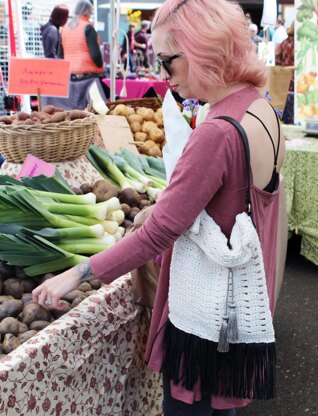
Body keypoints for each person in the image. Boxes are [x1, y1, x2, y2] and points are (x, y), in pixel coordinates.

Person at [33, 0, 285, 415]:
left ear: (202, 50)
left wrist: (75, 274)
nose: (163, 76)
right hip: (236, 312)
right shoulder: (261, 108)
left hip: (204, 322)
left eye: (168, 61)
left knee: (193, 406)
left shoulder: (215, 133)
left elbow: (158, 233)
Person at [42, 0, 106, 110]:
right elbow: (95, 55)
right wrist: (100, 65)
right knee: (98, 112)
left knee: (73, 113)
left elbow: (60, 55)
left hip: (71, 79)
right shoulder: (88, 28)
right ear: (88, 12)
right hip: (89, 79)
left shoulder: (65, 28)